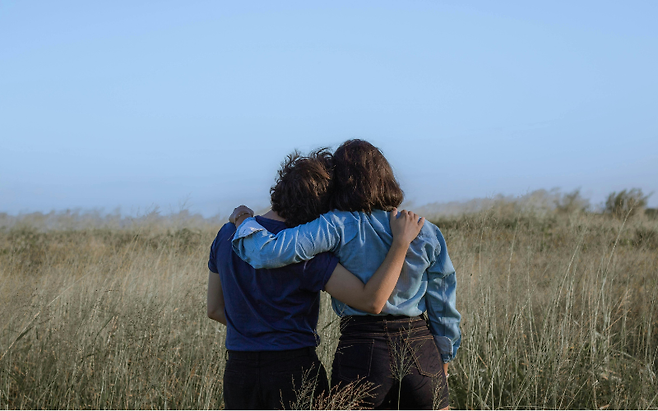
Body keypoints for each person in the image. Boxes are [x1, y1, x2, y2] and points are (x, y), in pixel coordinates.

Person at [231, 140, 461, 409]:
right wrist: (443, 361)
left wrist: (244, 220)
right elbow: (444, 306)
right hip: (421, 349)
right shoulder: (425, 230)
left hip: (363, 347)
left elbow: (267, 253)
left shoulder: (336, 224)